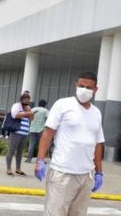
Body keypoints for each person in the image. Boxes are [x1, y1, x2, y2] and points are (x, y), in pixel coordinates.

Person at [35, 72, 104, 216]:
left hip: (86, 176)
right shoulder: (63, 104)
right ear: (76, 85)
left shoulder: (96, 112)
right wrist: (39, 160)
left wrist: (99, 172)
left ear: (95, 90)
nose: (84, 90)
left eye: (88, 87)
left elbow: (98, 144)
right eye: (81, 86)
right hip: (62, 173)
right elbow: (48, 133)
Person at [5, 91, 33, 176]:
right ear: (22, 99)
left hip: (24, 133)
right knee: (12, 150)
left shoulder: (28, 107)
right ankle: (9, 169)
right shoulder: (16, 106)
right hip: (16, 132)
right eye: (26, 100)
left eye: (28, 100)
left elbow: (31, 119)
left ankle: (18, 169)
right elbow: (15, 115)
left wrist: (30, 113)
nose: (27, 102)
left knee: (20, 152)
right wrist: (27, 113)